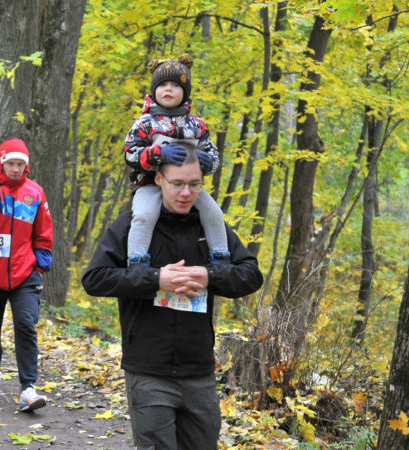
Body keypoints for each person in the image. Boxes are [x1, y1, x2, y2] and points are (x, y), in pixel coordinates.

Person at [81, 146, 263, 449]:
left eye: (194, 184)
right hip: (148, 369)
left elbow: (250, 274)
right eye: (177, 183)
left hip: (199, 370)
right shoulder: (131, 226)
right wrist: (155, 279)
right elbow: (94, 278)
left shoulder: (212, 228)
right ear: (159, 180)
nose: (185, 192)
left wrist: (210, 276)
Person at [0, 138, 53, 412]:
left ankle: (28, 386)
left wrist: (39, 263)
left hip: (24, 273)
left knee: (26, 324)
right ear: (1, 162)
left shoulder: (36, 193)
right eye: (11, 163)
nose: (16, 169)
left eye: (20, 164)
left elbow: (43, 232)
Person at [123, 54, 229, 268]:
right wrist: (157, 155)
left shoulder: (196, 124)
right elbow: (130, 153)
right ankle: (136, 259)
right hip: (149, 184)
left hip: (189, 187)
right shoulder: (145, 123)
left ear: (185, 92)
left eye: (175, 85)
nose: (168, 89)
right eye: (162, 85)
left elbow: (214, 155)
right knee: (144, 215)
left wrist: (207, 162)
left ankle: (220, 256)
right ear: (154, 91)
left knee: (213, 212)